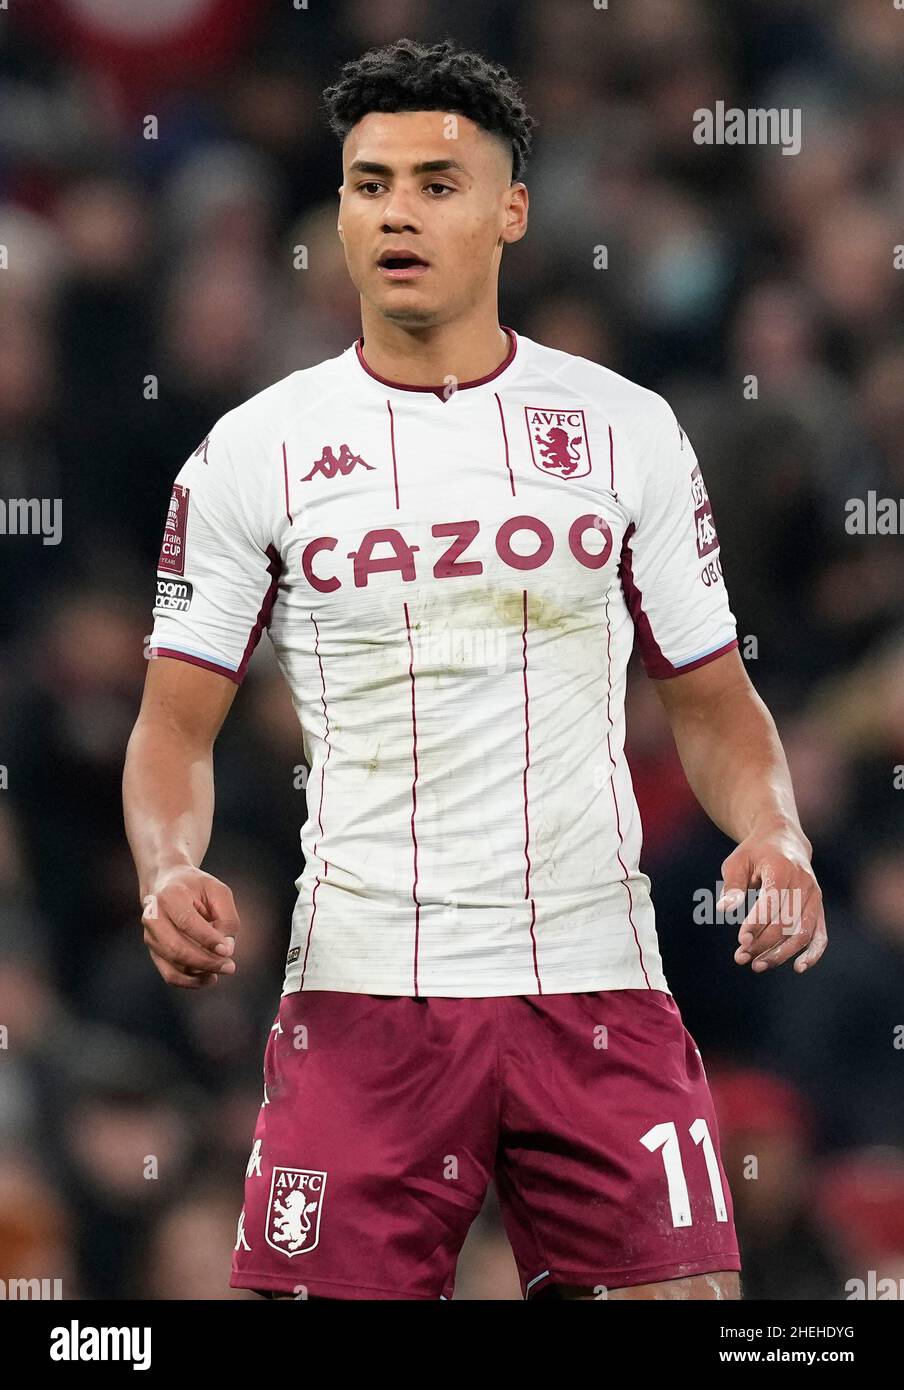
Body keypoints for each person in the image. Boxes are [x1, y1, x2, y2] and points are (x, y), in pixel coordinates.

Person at [122, 38, 827, 1302]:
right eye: (368, 180)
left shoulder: (624, 429)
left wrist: (773, 829)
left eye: (437, 184)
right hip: (362, 995)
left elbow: (713, 697)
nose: (397, 209)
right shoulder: (250, 453)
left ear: (509, 210)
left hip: (596, 982)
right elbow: (172, 726)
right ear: (338, 208)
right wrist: (169, 864)